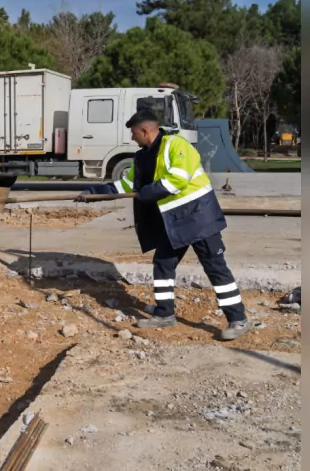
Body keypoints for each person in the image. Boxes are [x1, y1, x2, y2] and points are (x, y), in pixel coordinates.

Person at [76, 109, 252, 341]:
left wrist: (145, 193)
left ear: (145, 130)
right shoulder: (141, 158)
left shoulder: (176, 146)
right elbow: (127, 185)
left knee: (215, 266)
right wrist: (94, 192)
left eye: (133, 133)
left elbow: (178, 179)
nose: (132, 138)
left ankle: (238, 319)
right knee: (163, 264)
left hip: (199, 218)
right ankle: (165, 313)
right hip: (174, 223)